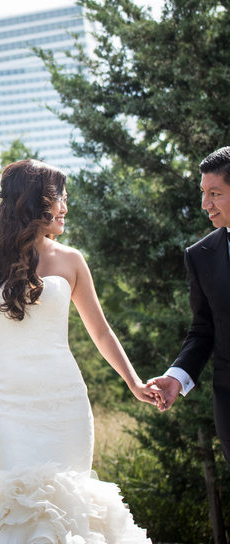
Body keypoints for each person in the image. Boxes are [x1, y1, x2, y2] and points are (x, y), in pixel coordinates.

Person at [0, 159, 158, 543]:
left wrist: (133, 381)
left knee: (71, 506)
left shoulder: (72, 260)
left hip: (64, 401)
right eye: (59, 197)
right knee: (20, 507)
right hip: (6, 402)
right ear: (34, 203)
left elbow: (100, 331)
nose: (65, 206)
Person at [147, 146, 230, 466]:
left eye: (215, 193)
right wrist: (177, 377)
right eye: (203, 193)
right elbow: (204, 329)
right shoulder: (200, 255)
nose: (205, 204)